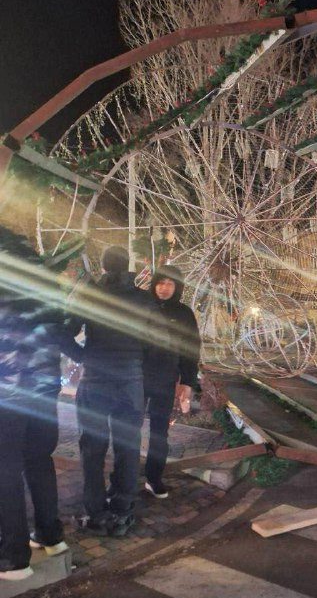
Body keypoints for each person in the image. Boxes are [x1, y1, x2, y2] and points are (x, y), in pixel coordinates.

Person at [0, 227, 71, 580]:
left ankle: (14, 557)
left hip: (8, 391)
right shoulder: (45, 276)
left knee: (5, 470)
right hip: (44, 387)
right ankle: (50, 536)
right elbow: (60, 327)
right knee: (39, 460)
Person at [72, 246, 153, 537]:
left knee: (92, 448)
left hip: (96, 380)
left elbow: (64, 332)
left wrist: (83, 357)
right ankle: (122, 507)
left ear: (104, 267)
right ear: (128, 266)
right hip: (130, 380)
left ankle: (95, 512)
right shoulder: (144, 299)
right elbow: (156, 340)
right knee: (128, 445)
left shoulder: (91, 294)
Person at [143, 265, 200, 498]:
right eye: (160, 282)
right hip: (137, 377)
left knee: (159, 432)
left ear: (177, 287)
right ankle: (121, 479)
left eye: (170, 284)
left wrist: (187, 381)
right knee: (127, 428)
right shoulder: (142, 306)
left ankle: (154, 477)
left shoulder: (184, 313)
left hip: (165, 379)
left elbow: (190, 349)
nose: (164, 288)